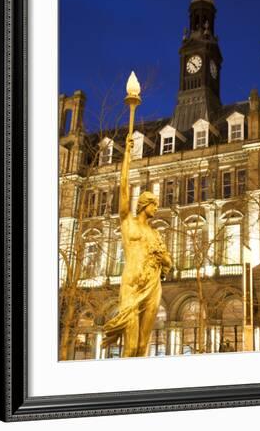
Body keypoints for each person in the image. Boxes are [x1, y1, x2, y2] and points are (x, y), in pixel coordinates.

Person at [102, 135, 172, 357]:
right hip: (132, 286)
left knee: (143, 346)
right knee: (130, 345)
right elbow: (123, 189)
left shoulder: (155, 233)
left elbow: (168, 263)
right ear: (145, 204)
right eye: (154, 205)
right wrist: (126, 157)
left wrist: (164, 260)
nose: (157, 208)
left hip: (153, 286)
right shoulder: (128, 222)